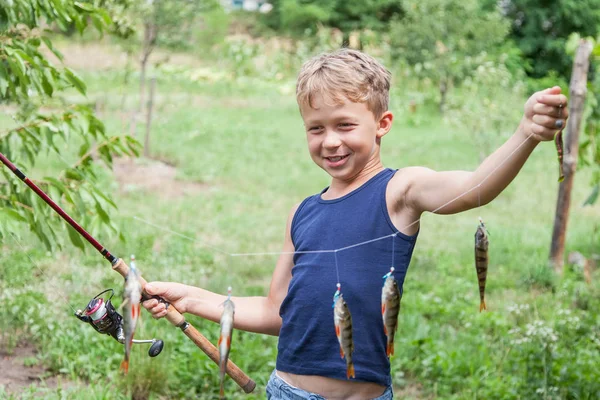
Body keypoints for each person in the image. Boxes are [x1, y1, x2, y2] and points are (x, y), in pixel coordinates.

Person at [142, 48, 568, 399]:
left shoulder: (400, 191)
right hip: (287, 392)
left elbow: (474, 188)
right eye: (316, 129)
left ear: (382, 124)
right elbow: (276, 312)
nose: (330, 141)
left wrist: (526, 133)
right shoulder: (302, 212)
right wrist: (192, 297)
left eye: (345, 125)